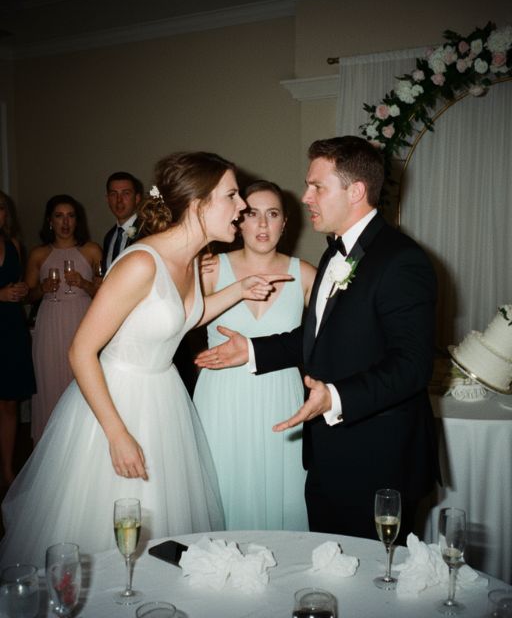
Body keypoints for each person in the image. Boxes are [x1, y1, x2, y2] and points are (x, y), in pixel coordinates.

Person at [0, 151, 290, 568]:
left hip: (163, 396)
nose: (242, 206)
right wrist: (117, 433)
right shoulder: (140, 263)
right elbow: (81, 350)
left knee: (164, 525)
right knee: (108, 525)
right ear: (199, 204)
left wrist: (240, 289)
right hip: (119, 400)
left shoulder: (190, 260)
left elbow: (184, 317)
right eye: (232, 196)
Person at [196, 136, 440, 542]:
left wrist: (335, 397)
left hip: (377, 458)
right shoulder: (334, 254)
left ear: (355, 191)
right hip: (328, 454)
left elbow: (412, 365)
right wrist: (252, 350)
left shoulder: (401, 260)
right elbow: (318, 337)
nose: (306, 196)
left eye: (317, 187)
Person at [194, 181, 316, 530]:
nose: (262, 224)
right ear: (239, 220)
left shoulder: (306, 275)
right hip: (221, 398)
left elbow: (326, 342)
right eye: (252, 214)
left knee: (281, 497)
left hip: (281, 398)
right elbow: (177, 322)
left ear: (285, 223)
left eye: (272, 214)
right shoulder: (210, 269)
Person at [25, 195, 102, 444]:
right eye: (59, 216)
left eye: (70, 216)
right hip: (50, 323)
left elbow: (104, 294)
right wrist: (42, 289)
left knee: (81, 381)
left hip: (83, 321)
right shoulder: (39, 254)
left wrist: (84, 283)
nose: (65, 222)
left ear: (77, 221)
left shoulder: (91, 250)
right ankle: (50, 446)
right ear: (50, 221)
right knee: (50, 383)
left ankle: (83, 445)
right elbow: (27, 295)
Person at [0, 191, 36, 489]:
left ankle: (8, 469)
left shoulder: (13, 245)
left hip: (11, 328)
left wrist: (22, 290)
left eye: (0, 208)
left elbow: (20, 286)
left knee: (10, 403)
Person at [102, 171, 143, 272]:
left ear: (137, 198)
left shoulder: (145, 231)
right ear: (107, 199)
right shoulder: (109, 237)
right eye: (113, 194)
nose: (119, 200)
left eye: (126, 193)